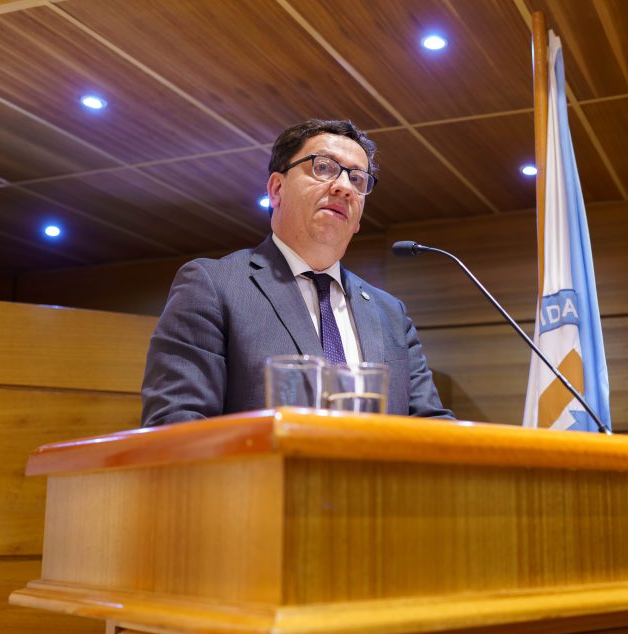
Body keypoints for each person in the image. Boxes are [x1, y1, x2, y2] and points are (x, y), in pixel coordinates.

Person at [141, 119, 454, 426]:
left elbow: (433, 427)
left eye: (358, 179)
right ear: (277, 189)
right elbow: (176, 424)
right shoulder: (214, 286)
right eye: (324, 167)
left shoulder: (390, 314)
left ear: (358, 218)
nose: (344, 187)